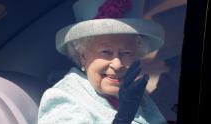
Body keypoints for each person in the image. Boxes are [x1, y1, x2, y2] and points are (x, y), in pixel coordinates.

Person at [38, 0, 167, 123]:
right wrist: (123, 119)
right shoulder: (63, 98)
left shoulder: (139, 97)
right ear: (82, 56)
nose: (117, 65)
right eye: (106, 52)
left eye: (126, 53)